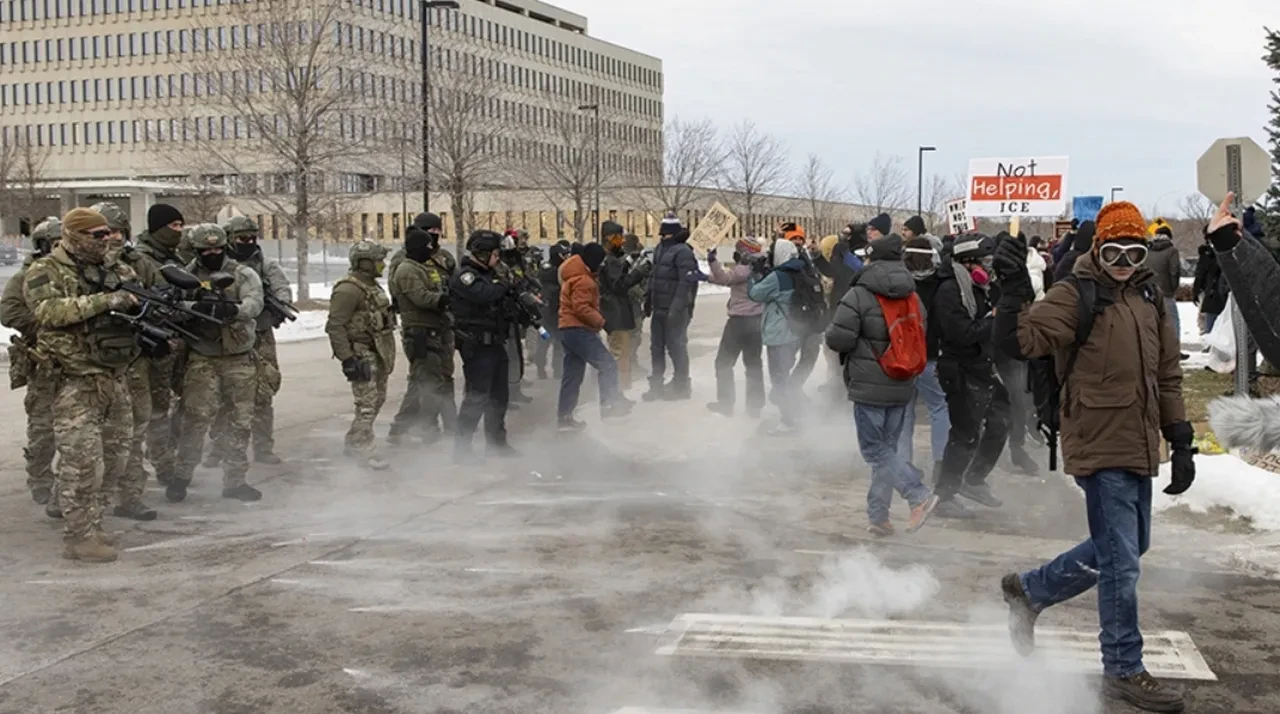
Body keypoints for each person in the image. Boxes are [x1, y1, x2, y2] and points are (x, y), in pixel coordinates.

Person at [992, 201, 1193, 713]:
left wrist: (1181, 434)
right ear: (1097, 249)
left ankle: (1031, 591)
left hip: (1140, 439)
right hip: (1097, 440)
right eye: (1113, 249)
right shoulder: (1074, 293)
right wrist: (1014, 286)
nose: (1124, 259)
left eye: (1134, 249)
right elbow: (1021, 341)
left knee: (1130, 546)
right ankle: (1123, 667)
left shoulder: (1150, 295)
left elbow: (1166, 374)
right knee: (1121, 561)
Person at [24, 208, 140, 562]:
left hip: (113, 375)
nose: (107, 240)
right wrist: (105, 301)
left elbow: (134, 300)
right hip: (74, 380)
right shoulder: (44, 270)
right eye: (98, 235)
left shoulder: (116, 269)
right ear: (74, 236)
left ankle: (95, 522)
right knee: (82, 462)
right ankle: (79, 537)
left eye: (108, 234)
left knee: (116, 456)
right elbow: (47, 311)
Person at [825, 234, 939, 536]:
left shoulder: (859, 294)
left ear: (871, 258)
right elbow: (921, 331)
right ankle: (879, 517)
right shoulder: (913, 295)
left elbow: (838, 339)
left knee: (875, 452)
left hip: (869, 384)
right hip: (902, 382)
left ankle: (917, 494)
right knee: (887, 451)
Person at [168, 224, 265, 503]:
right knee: (195, 420)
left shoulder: (242, 273)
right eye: (205, 250)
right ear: (197, 250)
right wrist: (193, 308)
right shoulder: (185, 275)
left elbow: (255, 303)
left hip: (239, 357)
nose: (212, 253)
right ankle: (181, 477)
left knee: (241, 421)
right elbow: (173, 306)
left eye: (217, 248)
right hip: (203, 355)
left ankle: (235, 481)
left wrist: (232, 309)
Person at [930, 234, 1010, 518]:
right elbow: (962, 333)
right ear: (968, 262)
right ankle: (945, 494)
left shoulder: (981, 288)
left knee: (1001, 420)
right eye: (985, 262)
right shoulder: (950, 291)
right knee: (965, 434)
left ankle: (973, 479)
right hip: (960, 369)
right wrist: (994, 318)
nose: (989, 268)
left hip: (982, 366)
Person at [204, 215, 293, 466]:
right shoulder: (217, 263)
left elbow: (282, 289)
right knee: (223, 394)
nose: (249, 242)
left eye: (253, 237)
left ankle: (263, 448)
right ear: (230, 239)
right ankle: (217, 450)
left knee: (263, 391)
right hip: (228, 335)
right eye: (242, 238)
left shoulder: (265, 264)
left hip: (261, 334)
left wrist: (276, 306)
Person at [91, 202, 161, 521]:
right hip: (87, 365)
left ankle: (130, 496)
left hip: (132, 361)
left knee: (133, 431)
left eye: (117, 231)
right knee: (83, 437)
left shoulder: (139, 265)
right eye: (103, 232)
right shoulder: (70, 268)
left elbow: (159, 300)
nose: (111, 238)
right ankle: (73, 500)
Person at [2, 217, 61, 512]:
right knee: (43, 427)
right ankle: (39, 479)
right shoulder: (27, 275)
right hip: (43, 362)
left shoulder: (74, 272)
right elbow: (9, 311)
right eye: (55, 243)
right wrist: (43, 326)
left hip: (77, 362)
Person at [325, 240, 396, 472]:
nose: (382, 265)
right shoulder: (348, 289)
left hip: (377, 351)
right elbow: (335, 326)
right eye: (378, 261)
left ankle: (355, 441)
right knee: (366, 404)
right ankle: (362, 449)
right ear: (364, 263)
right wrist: (347, 359)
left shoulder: (372, 286)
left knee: (377, 400)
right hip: (361, 353)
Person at [451, 230, 521, 462]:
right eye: (494, 253)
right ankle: (461, 448)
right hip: (477, 346)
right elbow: (485, 295)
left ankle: (497, 442)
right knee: (477, 397)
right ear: (482, 253)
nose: (498, 258)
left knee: (500, 396)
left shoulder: (489, 274)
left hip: (495, 344)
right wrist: (505, 285)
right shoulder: (466, 276)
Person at [131, 203, 186, 487]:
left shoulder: (172, 256)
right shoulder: (142, 259)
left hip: (170, 339)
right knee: (148, 411)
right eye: (174, 226)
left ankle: (165, 463)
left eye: (181, 226)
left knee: (167, 407)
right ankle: (152, 470)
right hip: (147, 345)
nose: (179, 231)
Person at [388, 224, 457, 446]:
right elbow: (421, 297)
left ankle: (410, 428)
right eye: (427, 246)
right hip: (419, 332)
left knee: (426, 381)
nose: (430, 250)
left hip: (431, 331)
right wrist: (442, 300)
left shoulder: (421, 267)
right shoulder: (407, 270)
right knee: (426, 383)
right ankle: (417, 427)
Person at [556, 242, 635, 430]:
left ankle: (564, 418)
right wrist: (602, 322)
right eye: (599, 263)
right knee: (607, 364)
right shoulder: (583, 280)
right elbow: (581, 308)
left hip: (568, 330)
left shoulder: (575, 275)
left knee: (572, 375)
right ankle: (609, 405)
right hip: (579, 330)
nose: (600, 266)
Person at [899, 236, 951, 483]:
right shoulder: (940, 285)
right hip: (930, 355)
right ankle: (940, 463)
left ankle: (903, 464)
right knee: (939, 407)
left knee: (904, 410)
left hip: (901, 355)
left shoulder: (897, 284)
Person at [748, 239, 806, 433]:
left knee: (779, 377)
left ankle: (788, 420)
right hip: (796, 330)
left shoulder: (779, 276)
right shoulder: (801, 270)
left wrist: (755, 275)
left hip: (779, 332)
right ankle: (794, 413)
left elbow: (756, 294)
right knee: (785, 375)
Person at [705, 238, 766, 417]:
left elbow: (726, 277)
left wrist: (712, 261)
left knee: (723, 362)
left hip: (739, 322)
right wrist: (706, 278)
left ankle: (726, 402)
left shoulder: (744, 267)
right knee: (753, 364)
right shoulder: (761, 268)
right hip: (756, 320)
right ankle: (755, 406)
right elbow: (732, 281)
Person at [644, 213, 699, 401]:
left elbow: (686, 284)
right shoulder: (660, 248)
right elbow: (654, 276)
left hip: (676, 310)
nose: (663, 236)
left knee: (676, 347)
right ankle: (656, 385)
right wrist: (648, 299)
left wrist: (676, 309)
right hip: (659, 308)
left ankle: (682, 385)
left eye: (666, 233)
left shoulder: (683, 251)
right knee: (656, 348)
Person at [599, 222, 652, 393]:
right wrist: (639, 273)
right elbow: (618, 285)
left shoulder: (610, 258)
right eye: (618, 237)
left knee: (622, 353)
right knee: (619, 354)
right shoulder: (609, 259)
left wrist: (629, 263)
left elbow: (617, 275)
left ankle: (619, 391)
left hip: (616, 312)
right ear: (609, 238)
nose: (621, 241)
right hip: (615, 313)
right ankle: (616, 393)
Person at [1143, 222, 1185, 361]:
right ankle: (1174, 351)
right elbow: (1174, 271)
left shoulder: (1148, 250)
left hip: (1149, 292)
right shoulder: (1172, 251)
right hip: (1165, 291)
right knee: (1172, 321)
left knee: (1153, 321)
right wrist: (1173, 288)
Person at [535, 240, 571, 380]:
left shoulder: (557, 268)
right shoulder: (549, 269)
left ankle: (557, 370)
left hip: (557, 313)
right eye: (564, 254)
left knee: (558, 343)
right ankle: (541, 367)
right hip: (546, 313)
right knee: (544, 342)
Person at [1192, 228, 1228, 336]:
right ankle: (1209, 339)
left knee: (1210, 320)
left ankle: (1209, 339)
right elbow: (1200, 274)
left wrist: (1196, 290)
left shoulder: (1209, 255)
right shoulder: (1210, 255)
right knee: (1211, 320)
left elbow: (1200, 275)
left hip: (1212, 293)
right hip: (1213, 293)